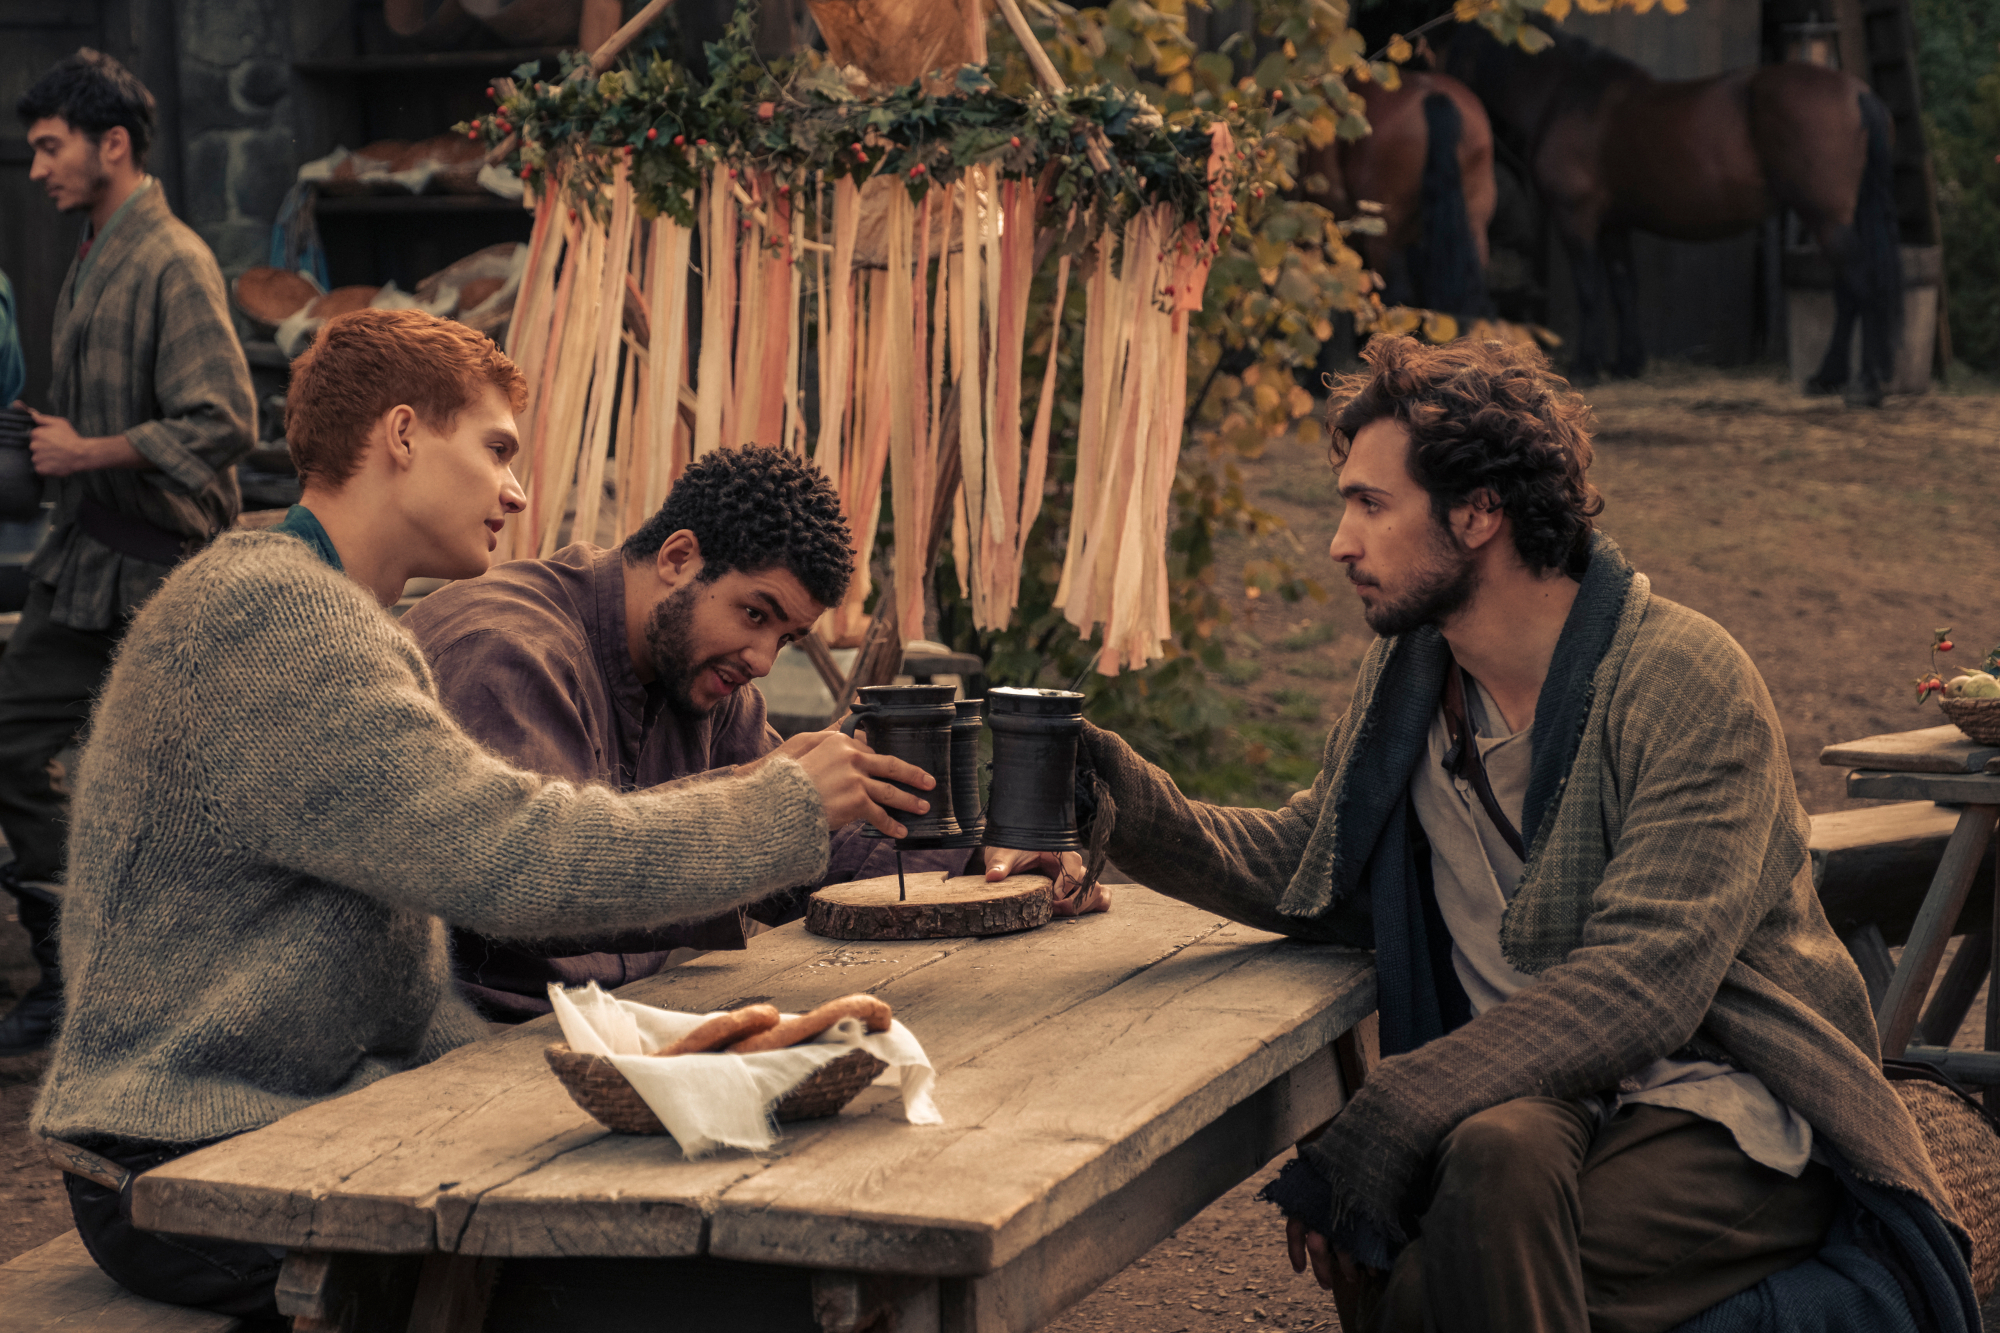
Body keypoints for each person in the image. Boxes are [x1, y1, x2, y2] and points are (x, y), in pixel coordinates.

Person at [1037, 337, 1975, 1331]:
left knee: (1445, 1262)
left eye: (1368, 504)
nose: (1337, 543)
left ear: (1478, 511)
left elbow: (1642, 980)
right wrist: (1109, 793)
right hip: (1520, 1109)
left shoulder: (1684, 681)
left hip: (1725, 1112)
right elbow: (1310, 862)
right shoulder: (1410, 679)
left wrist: (1394, 1108)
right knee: (1496, 1159)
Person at [30, 308, 931, 1320]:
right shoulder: (269, 617)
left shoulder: (337, 620)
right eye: (497, 448)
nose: (517, 490)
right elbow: (514, 859)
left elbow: (405, 983)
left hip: (305, 1118)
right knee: (716, 1291)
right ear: (403, 435)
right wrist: (777, 813)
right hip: (189, 1165)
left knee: (730, 1233)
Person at [400, 444, 976, 1021]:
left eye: (785, 638)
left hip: (623, 1023)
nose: (763, 660)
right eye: (756, 614)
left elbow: (819, 856)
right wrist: (773, 808)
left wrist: (989, 864)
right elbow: (543, 893)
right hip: (465, 1043)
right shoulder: (507, 651)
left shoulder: (702, 676)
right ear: (678, 558)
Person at [0, 49, 254, 1056]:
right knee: (15, 737)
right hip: (83, 563)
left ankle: (162, 993)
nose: (35, 169)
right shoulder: (98, 242)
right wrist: (48, 439)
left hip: (156, 571)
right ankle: (72, 971)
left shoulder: (173, 257)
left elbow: (225, 418)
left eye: (50, 147)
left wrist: (88, 449)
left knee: (178, 786)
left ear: (113, 144)